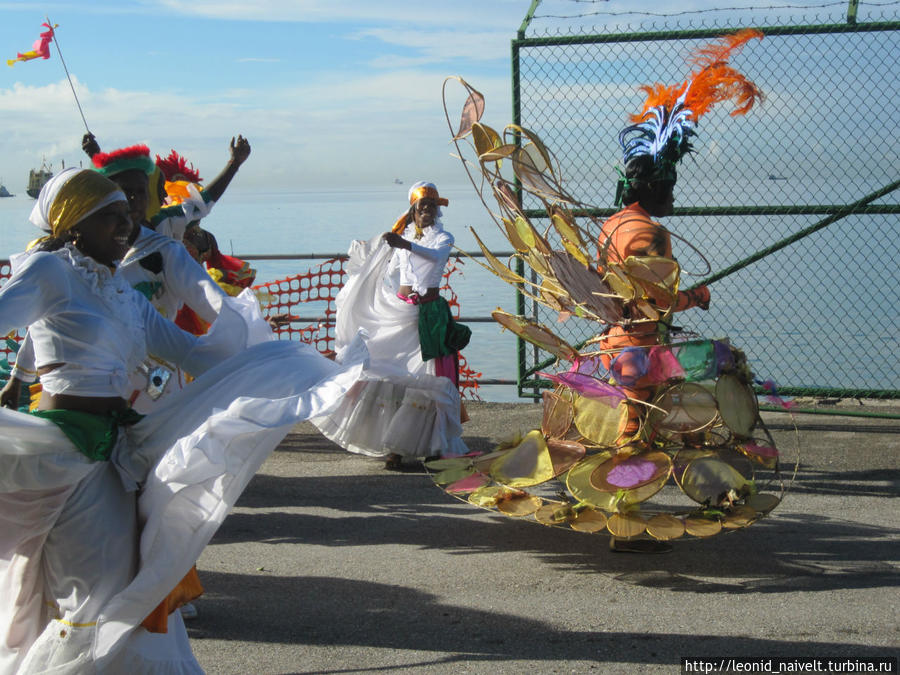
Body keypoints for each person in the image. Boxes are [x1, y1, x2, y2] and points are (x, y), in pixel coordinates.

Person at [0, 169, 367, 672]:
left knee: (127, 582)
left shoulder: (122, 293)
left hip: (119, 451)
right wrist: (17, 380)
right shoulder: (49, 271)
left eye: (128, 217)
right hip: (67, 454)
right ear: (75, 225)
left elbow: (195, 356)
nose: (126, 227)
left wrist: (284, 366)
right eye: (111, 218)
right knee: (93, 593)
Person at [312, 181, 470, 469]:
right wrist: (371, 266)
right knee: (391, 371)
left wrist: (405, 245)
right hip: (402, 310)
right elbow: (391, 271)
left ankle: (434, 444)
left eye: (431, 207)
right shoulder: (403, 237)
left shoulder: (443, 238)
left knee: (427, 375)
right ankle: (393, 446)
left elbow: (434, 257)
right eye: (422, 207)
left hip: (429, 315)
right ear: (412, 210)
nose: (427, 211)